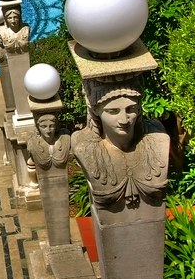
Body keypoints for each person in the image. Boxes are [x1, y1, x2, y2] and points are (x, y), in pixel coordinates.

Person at [70, 77, 168, 213]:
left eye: (131, 109)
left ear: (139, 107)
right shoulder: (83, 147)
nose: (124, 120)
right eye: (113, 111)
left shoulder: (158, 138)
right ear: (95, 109)